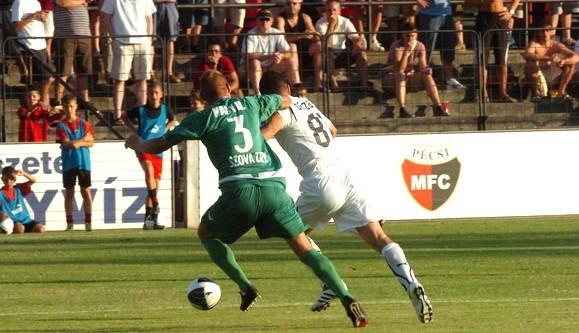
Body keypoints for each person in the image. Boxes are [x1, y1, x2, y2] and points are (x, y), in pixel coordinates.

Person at [124, 70, 368, 328]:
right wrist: (290, 102)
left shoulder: (202, 117)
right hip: (274, 189)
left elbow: (158, 145)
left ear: (203, 97)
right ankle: (345, 295)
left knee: (207, 233)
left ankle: (246, 286)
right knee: (303, 245)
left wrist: (136, 142)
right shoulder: (252, 103)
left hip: (239, 191)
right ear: (229, 87)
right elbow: (283, 100)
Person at [259, 70, 433, 324]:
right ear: (288, 87)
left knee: (294, 234)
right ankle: (410, 282)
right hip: (346, 178)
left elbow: (264, 135)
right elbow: (332, 129)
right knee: (378, 237)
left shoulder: (281, 113)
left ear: (266, 95)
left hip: (319, 183)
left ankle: (330, 282)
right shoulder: (307, 104)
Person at [122, 81, 177, 230]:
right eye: (150, 93)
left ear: (161, 95)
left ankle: (148, 221)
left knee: (154, 186)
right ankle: (157, 205)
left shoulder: (165, 110)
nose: (153, 96)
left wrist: (166, 128)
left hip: (158, 149)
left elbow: (173, 120)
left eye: (156, 93)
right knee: (149, 170)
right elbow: (124, 116)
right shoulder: (141, 110)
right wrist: (134, 130)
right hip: (143, 146)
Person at [100, 0, 157, 124]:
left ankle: (142, 112)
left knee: (142, 79)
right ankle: (118, 115)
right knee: (119, 80)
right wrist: (114, 36)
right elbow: (104, 16)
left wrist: (149, 39)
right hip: (122, 42)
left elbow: (149, 18)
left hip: (142, 42)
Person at [382, 24, 448, 118]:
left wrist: (427, 70)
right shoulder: (396, 46)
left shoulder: (420, 46)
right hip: (390, 77)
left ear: (416, 35)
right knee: (400, 75)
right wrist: (406, 53)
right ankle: (402, 109)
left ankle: (438, 107)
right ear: (402, 35)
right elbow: (400, 69)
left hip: (408, 77)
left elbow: (423, 66)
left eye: (412, 36)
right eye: (407, 36)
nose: (410, 39)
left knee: (427, 75)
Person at [464, 0, 520, 103]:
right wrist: (481, 2)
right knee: (482, 59)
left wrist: (511, 11)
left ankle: (503, 93)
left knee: (502, 59)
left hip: (500, 17)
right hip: (484, 17)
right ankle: (483, 92)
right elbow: (467, 2)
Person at [55, 95, 94, 232]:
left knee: (86, 191)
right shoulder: (61, 125)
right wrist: (83, 139)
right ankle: (70, 222)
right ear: (63, 107)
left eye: (71, 106)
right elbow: (67, 144)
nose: (69, 109)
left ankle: (88, 222)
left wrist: (77, 143)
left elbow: (92, 143)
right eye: (66, 106)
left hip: (84, 162)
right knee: (69, 194)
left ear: (76, 106)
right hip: (69, 163)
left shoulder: (84, 124)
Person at [241, 9, 302, 95]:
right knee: (255, 63)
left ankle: (297, 92)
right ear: (257, 21)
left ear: (272, 21)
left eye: (267, 19)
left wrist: (281, 56)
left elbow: (289, 52)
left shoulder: (277, 33)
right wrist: (269, 56)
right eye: (262, 19)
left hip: (272, 67)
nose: (264, 22)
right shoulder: (250, 34)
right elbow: (246, 56)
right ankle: (258, 94)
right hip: (250, 69)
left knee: (290, 61)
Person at [312, 0, 368, 91]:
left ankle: (364, 84)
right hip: (327, 53)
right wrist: (331, 24)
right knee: (329, 52)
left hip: (343, 53)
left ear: (339, 11)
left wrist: (357, 43)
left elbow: (355, 37)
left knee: (362, 52)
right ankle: (334, 84)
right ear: (325, 11)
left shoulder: (345, 21)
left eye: (334, 10)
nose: (331, 13)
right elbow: (327, 43)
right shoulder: (320, 23)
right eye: (329, 10)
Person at [416, 0, 467, 90]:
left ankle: (450, 80)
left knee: (448, 48)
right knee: (427, 49)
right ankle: (423, 79)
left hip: (447, 15)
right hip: (429, 15)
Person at [10, 0, 52, 107]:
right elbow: (16, 26)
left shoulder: (37, 2)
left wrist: (42, 19)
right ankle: (41, 109)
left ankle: (42, 109)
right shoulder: (19, 2)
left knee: (44, 80)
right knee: (43, 80)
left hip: (41, 46)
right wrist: (34, 16)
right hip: (29, 46)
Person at [522, 24, 578, 101]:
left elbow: (576, 56)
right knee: (530, 64)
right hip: (538, 74)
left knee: (570, 64)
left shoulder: (555, 44)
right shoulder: (534, 43)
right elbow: (527, 55)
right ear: (538, 33)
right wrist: (548, 58)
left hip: (553, 75)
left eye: (547, 31)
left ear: (552, 32)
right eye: (542, 31)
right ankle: (536, 94)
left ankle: (561, 93)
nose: (545, 34)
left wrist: (563, 61)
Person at [53, 0, 93, 104]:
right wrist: (82, 1)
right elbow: (63, 3)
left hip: (84, 34)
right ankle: (58, 101)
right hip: (65, 35)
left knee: (83, 70)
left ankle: (85, 101)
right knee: (63, 71)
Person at [274, 0, 318, 94]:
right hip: (287, 57)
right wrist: (302, 35)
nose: (291, 6)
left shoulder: (305, 17)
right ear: (284, 5)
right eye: (288, 3)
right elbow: (281, 38)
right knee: (292, 46)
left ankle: (319, 84)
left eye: (294, 3)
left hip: (304, 53)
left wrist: (315, 42)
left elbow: (315, 35)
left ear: (300, 5)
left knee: (318, 46)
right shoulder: (280, 18)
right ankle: (297, 85)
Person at [0, 166, 45, 234]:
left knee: (41, 229)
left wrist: (24, 174)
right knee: (20, 228)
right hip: (13, 222)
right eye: (6, 179)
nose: (9, 181)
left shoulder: (19, 189)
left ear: (15, 179)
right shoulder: (0, 193)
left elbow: (33, 180)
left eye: (11, 179)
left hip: (26, 220)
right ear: (2, 179)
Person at [154, 0, 181, 83]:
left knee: (170, 40)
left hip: (169, 6)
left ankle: (169, 73)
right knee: (151, 39)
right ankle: (151, 73)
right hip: (152, 7)